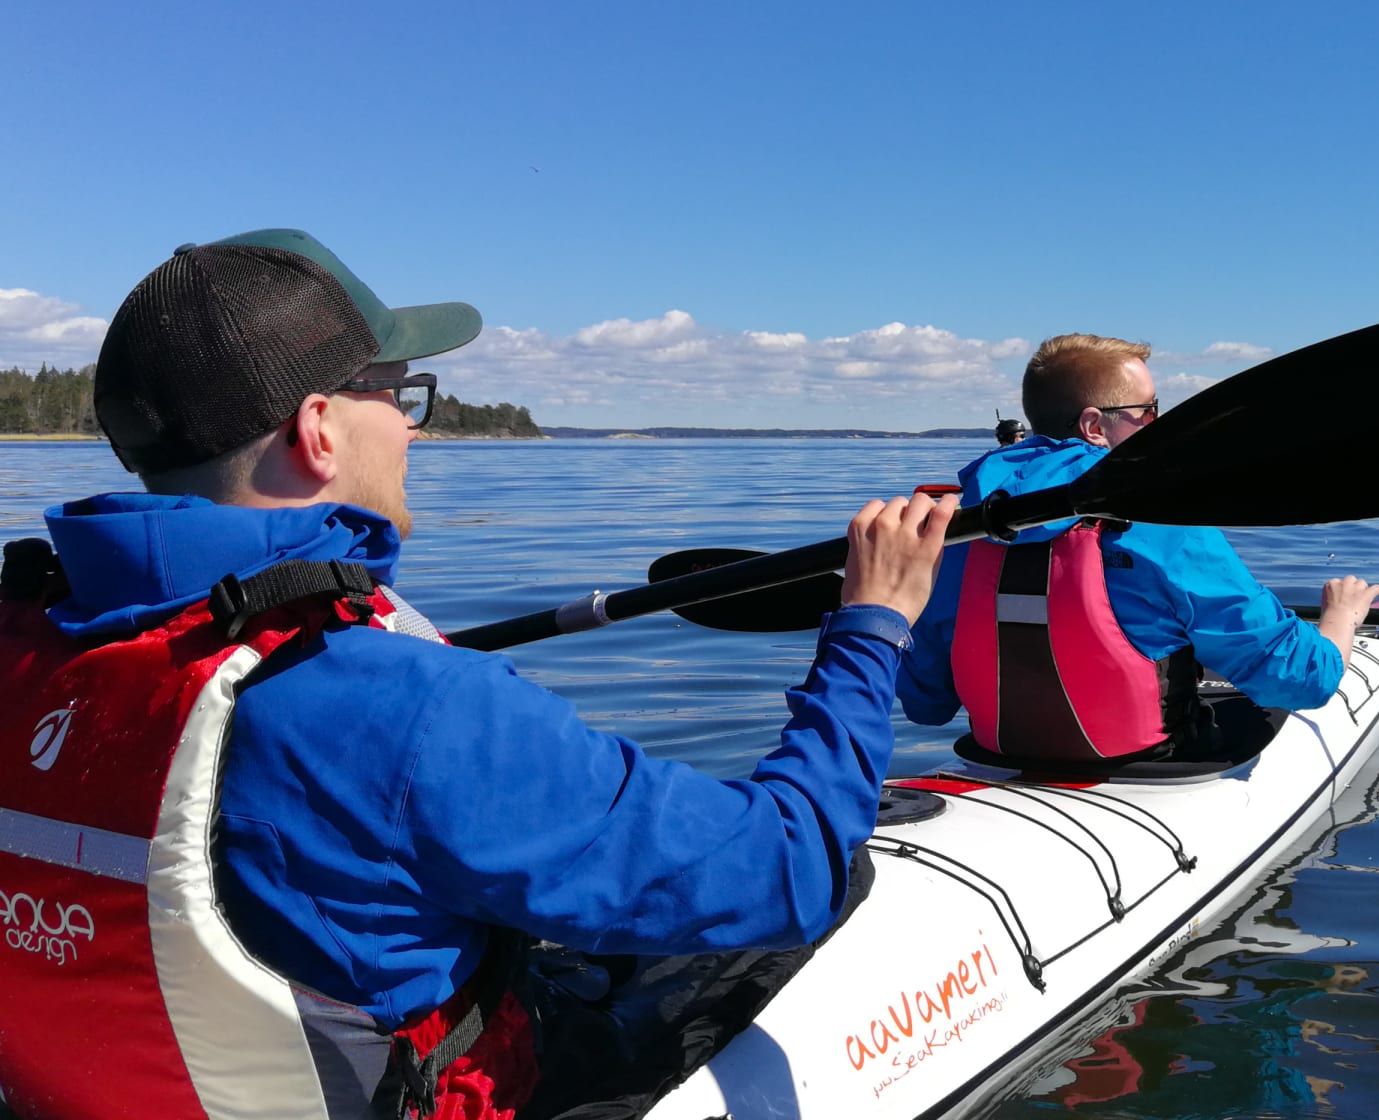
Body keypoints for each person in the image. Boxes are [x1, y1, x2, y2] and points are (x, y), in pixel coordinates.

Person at [0, 229, 956, 1120]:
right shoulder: (405, 709)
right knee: (838, 865)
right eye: (400, 393)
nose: (413, 429)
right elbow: (787, 867)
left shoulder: (27, 638)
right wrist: (873, 625)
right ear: (319, 429)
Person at [899, 332, 1379, 765]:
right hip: (1151, 759)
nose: (1160, 423)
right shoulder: (1167, 527)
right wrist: (1341, 619)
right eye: (1149, 411)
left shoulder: (958, 531)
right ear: (1094, 426)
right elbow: (1302, 681)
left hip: (999, 755)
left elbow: (926, 704)